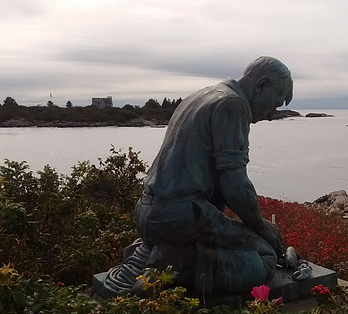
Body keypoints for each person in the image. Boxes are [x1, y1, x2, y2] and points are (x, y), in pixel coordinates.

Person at [105, 56, 293, 296]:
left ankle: (153, 252)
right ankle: (175, 265)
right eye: (275, 104)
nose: (271, 115)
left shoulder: (204, 95)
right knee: (265, 257)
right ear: (261, 85)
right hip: (179, 217)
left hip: (148, 213)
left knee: (243, 242)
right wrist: (260, 226)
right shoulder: (233, 105)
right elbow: (235, 184)